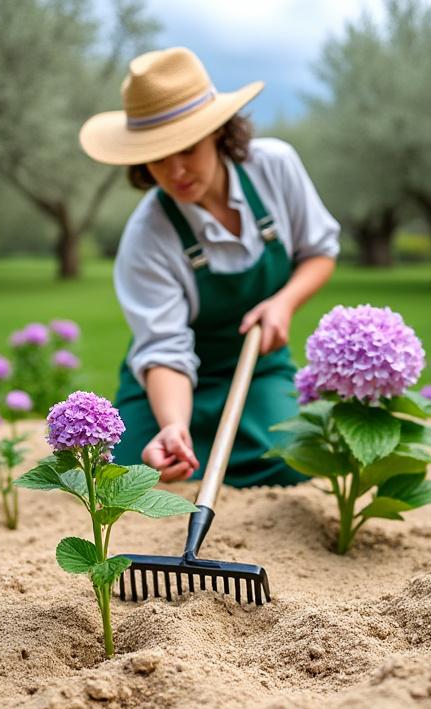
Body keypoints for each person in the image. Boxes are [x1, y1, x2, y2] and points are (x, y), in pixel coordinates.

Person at [79, 47, 339, 487]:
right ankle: (180, 433)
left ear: (219, 131)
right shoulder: (147, 235)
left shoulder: (274, 166)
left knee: (291, 460)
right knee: (133, 468)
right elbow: (165, 349)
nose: (176, 170)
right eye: (158, 156)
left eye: (187, 149)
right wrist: (172, 426)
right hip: (170, 383)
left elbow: (320, 252)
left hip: (258, 367)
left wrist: (283, 303)